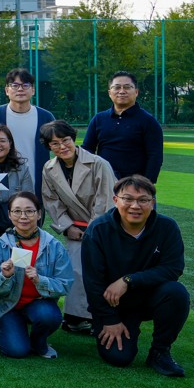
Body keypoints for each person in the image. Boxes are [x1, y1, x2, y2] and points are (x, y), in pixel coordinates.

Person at [82, 176, 189, 376]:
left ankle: (160, 351)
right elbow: (93, 283)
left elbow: (173, 268)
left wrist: (128, 280)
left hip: (149, 297)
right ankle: (121, 327)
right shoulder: (98, 230)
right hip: (113, 304)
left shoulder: (167, 227)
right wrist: (109, 319)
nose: (135, 206)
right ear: (116, 201)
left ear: (153, 202)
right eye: (128, 199)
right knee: (119, 358)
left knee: (176, 293)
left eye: (143, 200)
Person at [40, 120, 117, 334]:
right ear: (48, 147)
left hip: (104, 227)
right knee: (75, 270)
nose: (62, 146)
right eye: (54, 143)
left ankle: (103, 316)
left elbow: (106, 200)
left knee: (103, 271)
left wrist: (94, 229)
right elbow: (51, 201)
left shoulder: (98, 163)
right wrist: (67, 227)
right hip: (75, 229)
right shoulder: (49, 168)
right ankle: (76, 318)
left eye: (65, 140)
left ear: (73, 139)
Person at [0, 192, 74, 360]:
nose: (23, 216)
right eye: (17, 211)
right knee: (17, 351)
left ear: (39, 214)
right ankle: (11, 329)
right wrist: (4, 277)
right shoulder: (1, 244)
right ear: (10, 215)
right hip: (7, 306)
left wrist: (40, 280)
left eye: (29, 211)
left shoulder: (54, 246)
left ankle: (38, 341)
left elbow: (65, 284)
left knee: (49, 316)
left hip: (37, 304)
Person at [82, 71, 165, 182]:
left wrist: (146, 184)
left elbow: (155, 156)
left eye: (127, 87)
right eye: (117, 87)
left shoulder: (148, 121)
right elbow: (87, 150)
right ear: (109, 93)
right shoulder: (99, 119)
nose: (121, 91)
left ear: (136, 92)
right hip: (103, 182)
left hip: (135, 185)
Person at [0, 68, 56, 190]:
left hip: (38, 183)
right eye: (15, 85)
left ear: (33, 90)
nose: (20, 89)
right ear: (7, 90)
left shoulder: (46, 117)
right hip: (2, 183)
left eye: (25, 85)